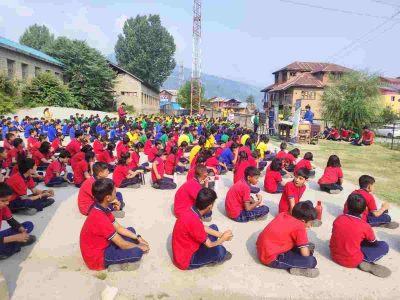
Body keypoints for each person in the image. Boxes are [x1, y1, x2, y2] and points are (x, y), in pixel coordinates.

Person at [80, 178, 149, 271]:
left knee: (131, 230)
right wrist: (139, 246)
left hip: (104, 244)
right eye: (114, 192)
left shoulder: (101, 207)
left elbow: (119, 228)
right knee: (137, 252)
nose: (116, 193)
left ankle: (122, 254)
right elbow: (122, 244)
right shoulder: (99, 218)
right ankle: (114, 264)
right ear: (108, 197)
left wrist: (138, 237)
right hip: (98, 257)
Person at [172, 188, 233, 270]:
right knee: (220, 251)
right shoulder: (194, 221)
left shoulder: (191, 210)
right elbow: (209, 245)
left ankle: (214, 249)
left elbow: (202, 227)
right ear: (210, 206)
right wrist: (223, 238)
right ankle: (211, 259)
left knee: (214, 227)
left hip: (183, 248)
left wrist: (221, 234)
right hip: (186, 260)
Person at [330, 194, 390, 278]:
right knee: (383, 245)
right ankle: (362, 261)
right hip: (352, 260)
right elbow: (373, 243)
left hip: (334, 255)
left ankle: (359, 259)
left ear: (347, 206)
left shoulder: (339, 219)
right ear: (365, 209)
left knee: (348, 238)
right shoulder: (365, 226)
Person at [256, 201, 319, 278]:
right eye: (311, 223)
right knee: (311, 261)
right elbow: (305, 255)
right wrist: (307, 250)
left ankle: (301, 249)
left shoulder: (283, 214)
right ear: (303, 221)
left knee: (306, 246)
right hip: (271, 258)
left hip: (264, 247)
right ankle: (298, 269)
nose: (311, 225)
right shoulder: (300, 226)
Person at [0, 182, 36, 260]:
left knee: (28, 225)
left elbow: (11, 221)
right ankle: (16, 243)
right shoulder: (18, 178)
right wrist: (14, 238)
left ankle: (16, 243)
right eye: (3, 200)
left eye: (8, 200)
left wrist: (21, 230)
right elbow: (24, 197)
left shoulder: (3, 207)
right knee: (4, 249)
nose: (7, 203)